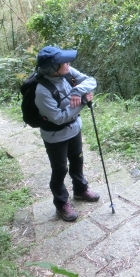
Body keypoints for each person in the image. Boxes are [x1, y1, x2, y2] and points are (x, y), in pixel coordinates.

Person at [34, 46, 100, 221]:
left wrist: (78, 91)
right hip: (55, 137)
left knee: (77, 160)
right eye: (64, 61)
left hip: (74, 129)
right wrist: (83, 102)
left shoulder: (67, 72)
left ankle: (80, 190)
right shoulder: (42, 91)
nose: (68, 63)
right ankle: (61, 203)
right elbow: (58, 117)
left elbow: (91, 80)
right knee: (60, 169)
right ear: (53, 67)